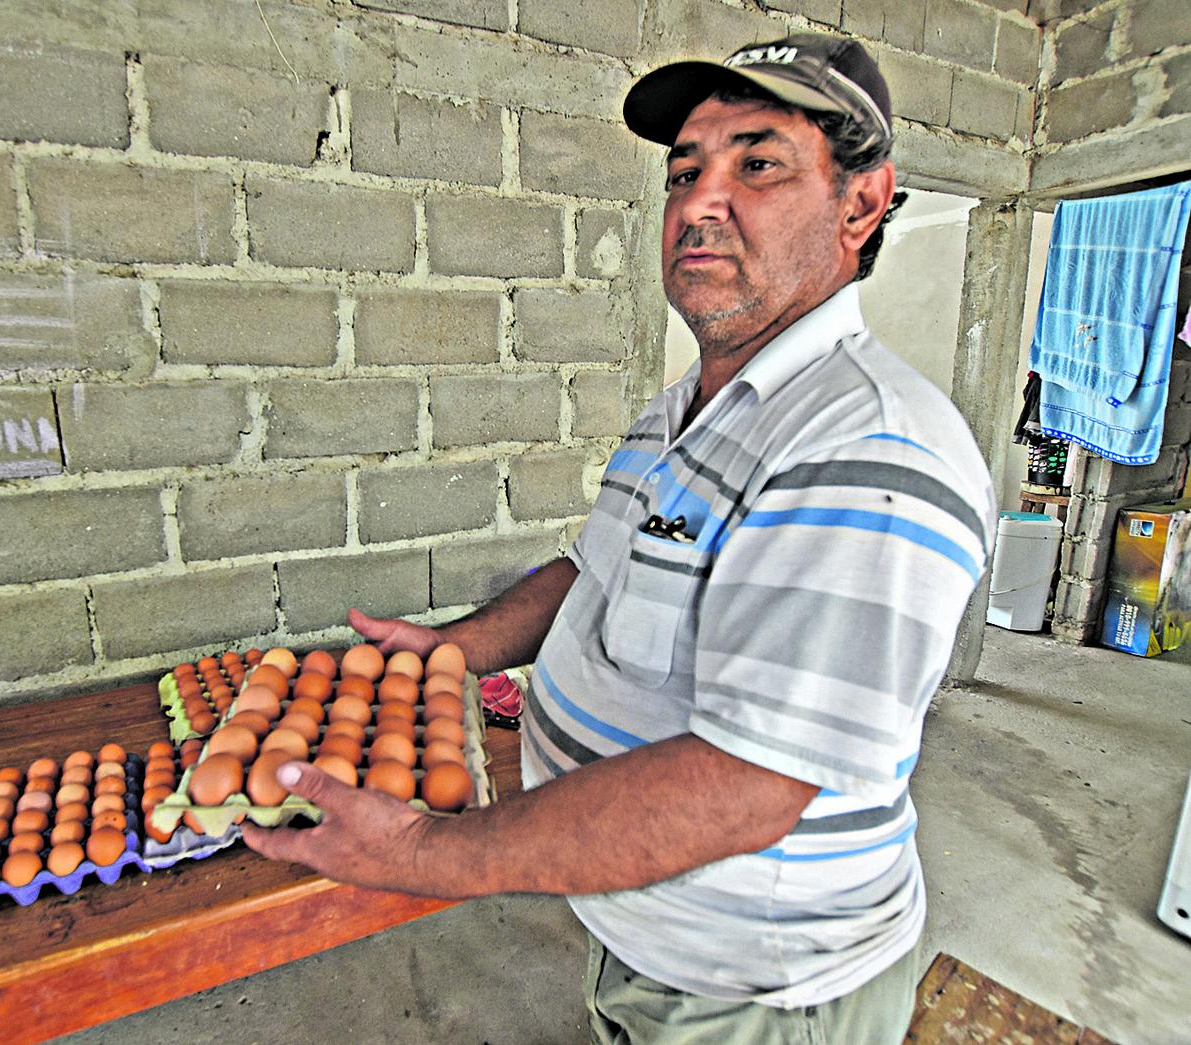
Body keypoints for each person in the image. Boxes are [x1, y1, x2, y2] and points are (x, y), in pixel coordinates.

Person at [243, 34, 996, 1043]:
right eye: (685, 171)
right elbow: (595, 572)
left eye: (757, 164)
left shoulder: (870, 449)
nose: (697, 202)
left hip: (760, 994)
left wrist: (423, 850)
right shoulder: (684, 407)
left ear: (861, 205)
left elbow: (744, 787)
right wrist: (462, 650)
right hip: (641, 927)